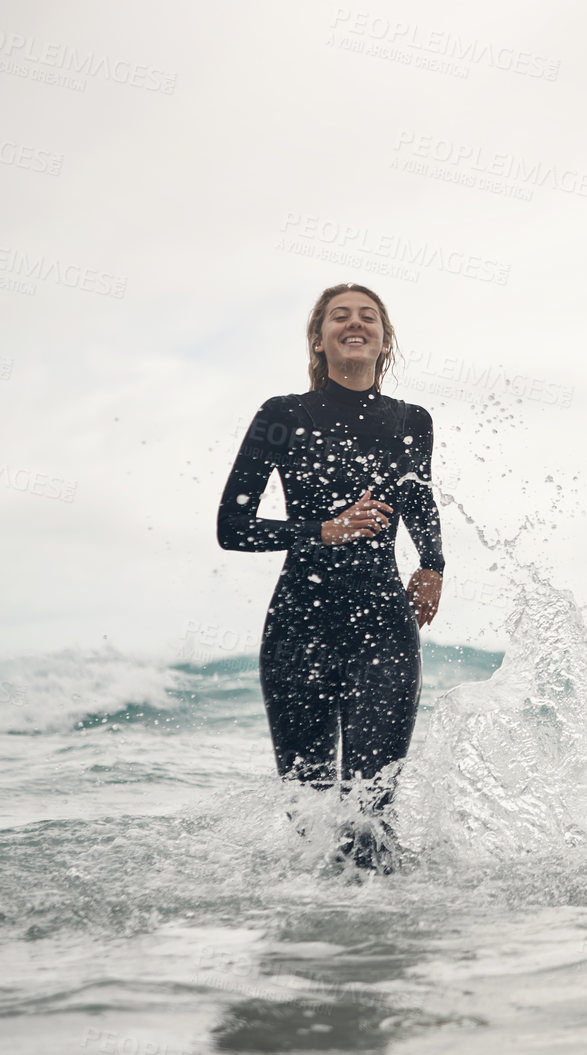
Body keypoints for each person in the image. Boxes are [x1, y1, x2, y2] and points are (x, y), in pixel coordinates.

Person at [217, 283, 444, 872]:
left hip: (383, 628)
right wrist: (323, 531)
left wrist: (432, 564)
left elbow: (419, 502)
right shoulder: (282, 415)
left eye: (368, 317)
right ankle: (316, 946)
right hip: (300, 627)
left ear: (384, 339)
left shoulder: (412, 422)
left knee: (371, 808)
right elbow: (232, 526)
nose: (355, 324)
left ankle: (383, 945)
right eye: (339, 317)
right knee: (313, 820)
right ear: (319, 338)